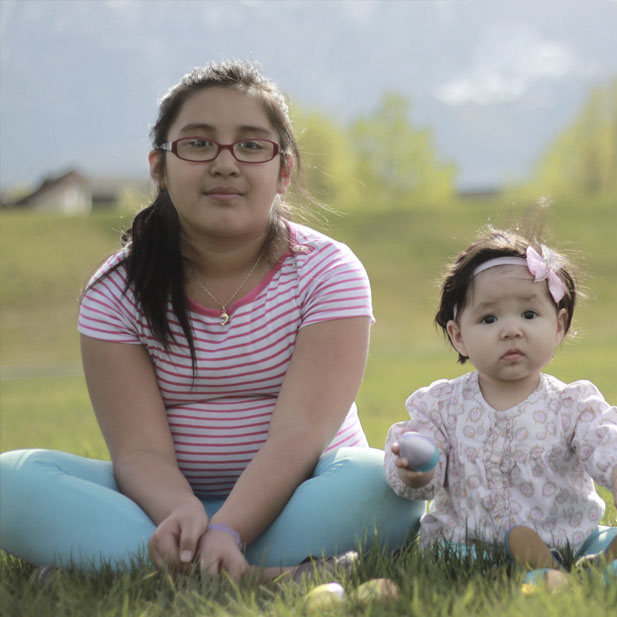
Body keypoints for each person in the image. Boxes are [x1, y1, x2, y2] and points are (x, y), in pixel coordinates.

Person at [0, 60, 423, 581]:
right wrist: (181, 511)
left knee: (382, 489)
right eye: (199, 144)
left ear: (284, 171)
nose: (226, 164)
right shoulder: (116, 289)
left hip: (305, 489)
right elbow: (139, 450)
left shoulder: (328, 271)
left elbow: (299, 435)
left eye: (251, 145)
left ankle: (127, 564)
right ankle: (262, 573)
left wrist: (231, 527)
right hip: (162, 505)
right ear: (159, 166)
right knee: (9, 483)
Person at [383, 227, 617, 579]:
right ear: (458, 336)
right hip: (471, 542)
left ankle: (587, 561)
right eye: (489, 319)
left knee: (599, 539)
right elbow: (422, 463)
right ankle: (560, 571)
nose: (511, 330)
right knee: (454, 558)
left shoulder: (571, 403)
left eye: (529, 315)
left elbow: (607, 436)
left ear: (559, 326)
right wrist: (417, 471)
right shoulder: (441, 406)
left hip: (567, 536)